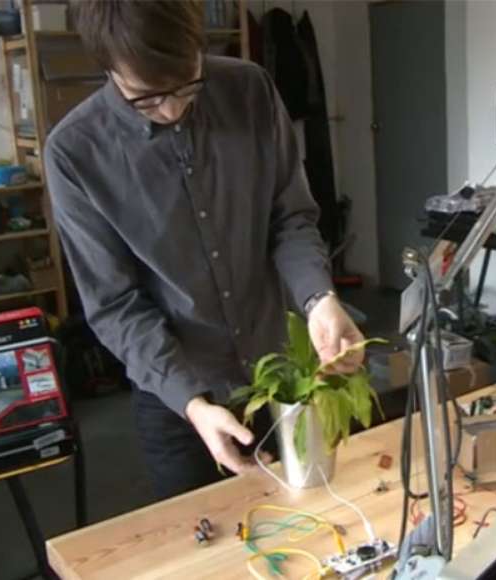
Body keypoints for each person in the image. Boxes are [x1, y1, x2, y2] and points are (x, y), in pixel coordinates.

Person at [45, 0, 366, 501]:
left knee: (313, 519)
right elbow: (114, 304)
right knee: (205, 536)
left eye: (187, 86)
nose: (173, 109)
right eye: (147, 99)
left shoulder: (249, 90)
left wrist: (318, 299)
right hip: (181, 398)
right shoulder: (75, 153)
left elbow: (290, 218)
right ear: (108, 68)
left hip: (280, 374)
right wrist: (193, 404)